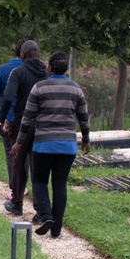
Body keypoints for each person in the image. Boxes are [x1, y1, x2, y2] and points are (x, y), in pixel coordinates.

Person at [11, 52, 90, 237]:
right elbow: (83, 117)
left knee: (39, 181)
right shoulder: (76, 89)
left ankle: (46, 215)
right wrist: (86, 139)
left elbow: (27, 118)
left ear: (49, 68)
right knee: (60, 184)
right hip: (68, 145)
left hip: (44, 145)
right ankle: (56, 230)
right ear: (66, 69)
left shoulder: (39, 88)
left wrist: (19, 143)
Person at [0, 40, 47, 216]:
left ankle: (17, 203)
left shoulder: (18, 72)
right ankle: (40, 209)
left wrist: (4, 119)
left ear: (23, 56)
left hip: (21, 125)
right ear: (38, 54)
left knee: (18, 163)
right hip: (42, 126)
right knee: (38, 166)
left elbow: (8, 97)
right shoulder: (46, 74)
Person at [0, 39, 25, 200]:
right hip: (27, 120)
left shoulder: (2, 70)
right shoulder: (32, 72)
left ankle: (14, 188)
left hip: (7, 120)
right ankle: (22, 186)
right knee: (26, 154)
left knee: (11, 153)